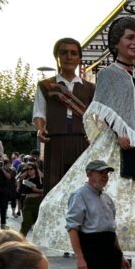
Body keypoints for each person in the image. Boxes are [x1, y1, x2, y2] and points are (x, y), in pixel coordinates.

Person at [31, 17, 135, 255]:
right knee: (115, 199)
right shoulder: (108, 74)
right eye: (130, 37)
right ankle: (111, 251)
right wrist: (119, 133)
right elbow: (101, 108)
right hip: (120, 143)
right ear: (116, 43)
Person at [33, 37, 95, 194]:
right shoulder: (46, 86)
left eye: (74, 53)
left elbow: (96, 117)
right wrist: (40, 130)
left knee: (81, 188)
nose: (69, 57)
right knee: (54, 189)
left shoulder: (91, 88)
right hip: (54, 142)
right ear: (57, 57)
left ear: (79, 58)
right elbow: (39, 111)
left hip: (82, 142)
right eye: (64, 53)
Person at [17, 163, 43, 236]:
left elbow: (43, 189)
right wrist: (26, 171)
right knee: (26, 222)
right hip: (28, 201)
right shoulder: (26, 179)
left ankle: (39, 239)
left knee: (38, 221)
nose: (29, 170)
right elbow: (20, 178)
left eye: (31, 169)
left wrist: (37, 190)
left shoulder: (40, 178)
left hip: (37, 201)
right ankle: (20, 239)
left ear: (35, 170)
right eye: (27, 169)